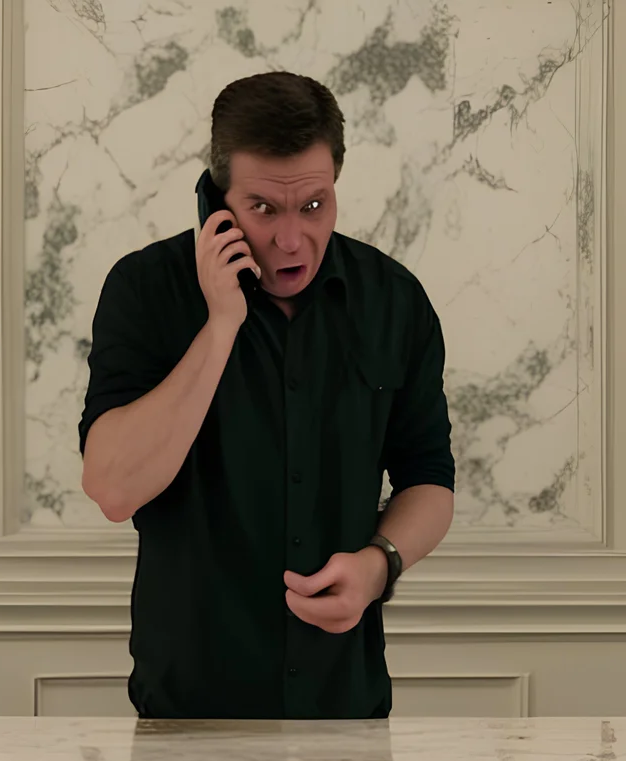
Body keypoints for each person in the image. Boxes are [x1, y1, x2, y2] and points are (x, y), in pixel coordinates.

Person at [78, 71, 455, 720]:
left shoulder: (394, 301)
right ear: (217, 200)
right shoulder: (144, 291)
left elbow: (428, 478)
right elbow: (113, 489)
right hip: (188, 716)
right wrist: (222, 323)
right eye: (263, 208)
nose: (290, 239)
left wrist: (378, 564)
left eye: (314, 206)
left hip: (345, 711)